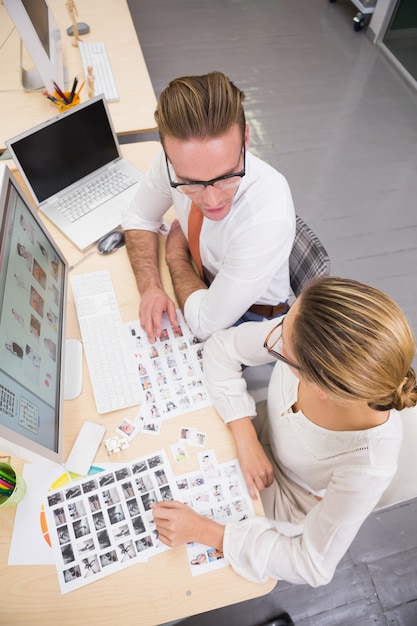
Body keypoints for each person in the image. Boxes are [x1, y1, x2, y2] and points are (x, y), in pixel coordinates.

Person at [152, 276, 417, 587]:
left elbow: (312, 565)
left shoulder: (368, 466)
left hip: (289, 496)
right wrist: (245, 436)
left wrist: (206, 532)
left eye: (283, 348)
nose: (273, 335)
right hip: (254, 432)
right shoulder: (308, 329)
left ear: (319, 388)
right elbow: (223, 347)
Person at [122, 71, 295, 342]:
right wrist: (151, 287)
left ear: (246, 139)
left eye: (227, 177)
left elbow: (205, 325)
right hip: (203, 283)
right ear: (168, 155)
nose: (212, 201)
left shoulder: (266, 217)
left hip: (251, 319)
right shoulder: (172, 161)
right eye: (189, 182)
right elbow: (138, 217)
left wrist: (176, 257)